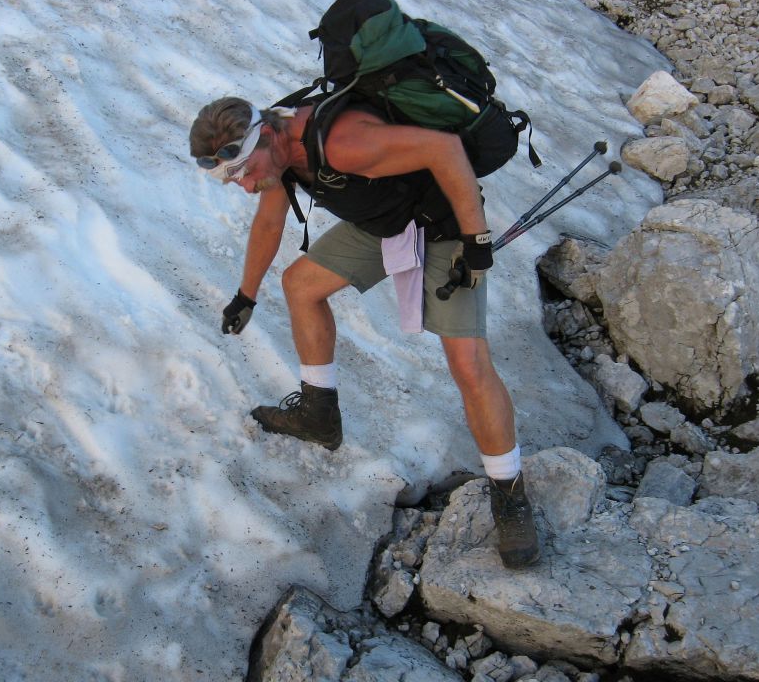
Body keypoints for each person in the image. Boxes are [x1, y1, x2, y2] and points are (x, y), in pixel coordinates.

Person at [189, 96, 540, 568]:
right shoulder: (278, 150)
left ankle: (510, 494)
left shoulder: (342, 142)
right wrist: (246, 295)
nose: (249, 186)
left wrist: (476, 240)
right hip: (384, 221)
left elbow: (446, 149)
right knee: (301, 285)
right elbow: (271, 218)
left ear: (267, 137)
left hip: (445, 224)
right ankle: (319, 415)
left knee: (468, 364)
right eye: (236, 180)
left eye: (246, 172)